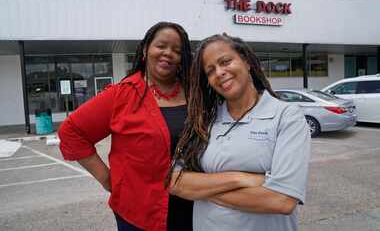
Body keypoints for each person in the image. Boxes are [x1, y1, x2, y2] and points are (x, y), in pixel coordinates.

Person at [58, 22, 194, 231]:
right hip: (140, 212)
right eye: (161, 46)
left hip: (194, 207)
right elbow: (71, 132)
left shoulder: (196, 94)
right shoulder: (122, 94)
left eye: (177, 50)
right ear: (146, 49)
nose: (168, 53)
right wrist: (108, 180)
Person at [168, 34, 311, 231]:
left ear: (247, 62)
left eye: (225, 61)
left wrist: (200, 190)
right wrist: (240, 178)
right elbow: (174, 181)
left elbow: (282, 200)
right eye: (210, 71)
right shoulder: (203, 122)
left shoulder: (286, 116)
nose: (219, 73)